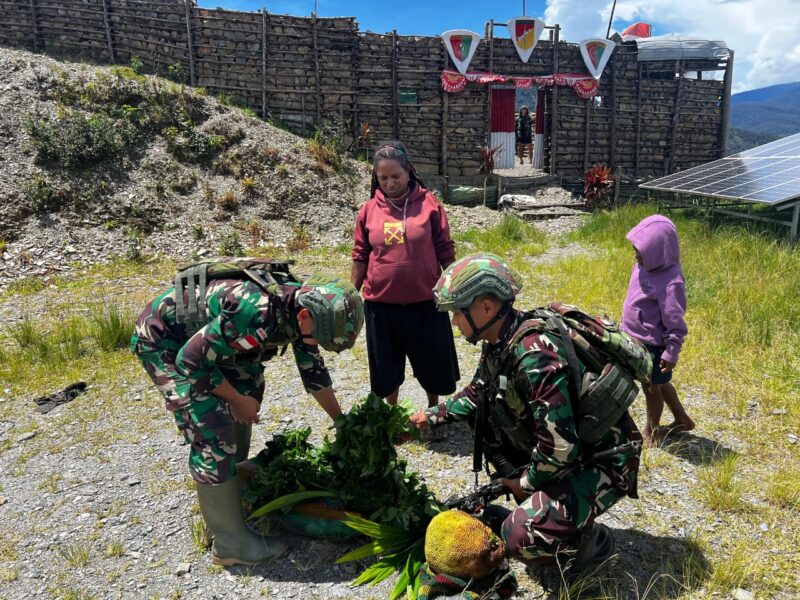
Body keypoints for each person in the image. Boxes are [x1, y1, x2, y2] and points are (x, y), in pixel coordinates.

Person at [409, 253, 642, 571]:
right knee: (487, 423)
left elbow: (560, 448)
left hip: (605, 461)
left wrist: (523, 483)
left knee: (517, 536)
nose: (454, 322)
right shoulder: (500, 341)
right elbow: (478, 393)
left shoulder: (534, 356)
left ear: (486, 307)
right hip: (575, 453)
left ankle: (588, 543)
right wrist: (429, 417)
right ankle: (549, 510)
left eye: (458, 313)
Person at [130, 261, 364, 566]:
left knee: (250, 384)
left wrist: (340, 420)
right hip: (165, 342)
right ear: (305, 316)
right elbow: (190, 361)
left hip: (206, 345)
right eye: (318, 338)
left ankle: (231, 483)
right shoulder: (256, 312)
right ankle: (231, 543)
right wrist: (236, 401)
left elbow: (313, 371)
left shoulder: (302, 309)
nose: (316, 343)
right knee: (212, 430)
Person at [351, 141, 459, 440]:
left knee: (432, 361)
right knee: (386, 366)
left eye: (395, 176)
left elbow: (445, 248)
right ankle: (393, 415)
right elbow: (360, 254)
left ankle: (433, 413)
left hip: (425, 302)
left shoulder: (430, 205)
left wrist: (456, 286)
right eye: (383, 178)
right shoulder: (368, 211)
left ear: (409, 171)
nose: (390, 183)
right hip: (381, 304)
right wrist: (349, 294)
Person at [621, 215, 693, 444]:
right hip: (634, 338)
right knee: (659, 383)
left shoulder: (671, 282)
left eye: (641, 251)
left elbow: (675, 321)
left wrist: (672, 351)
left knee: (651, 387)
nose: (636, 255)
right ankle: (682, 419)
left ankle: (651, 431)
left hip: (653, 345)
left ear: (658, 252)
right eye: (635, 250)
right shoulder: (642, 266)